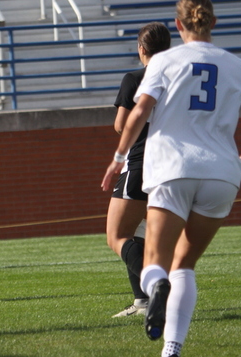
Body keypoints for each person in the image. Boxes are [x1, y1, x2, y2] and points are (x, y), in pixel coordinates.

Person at [102, 0, 241, 357]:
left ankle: (155, 287)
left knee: (156, 263)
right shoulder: (237, 65)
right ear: (213, 22)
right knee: (185, 265)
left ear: (178, 25)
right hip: (222, 174)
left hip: (173, 168)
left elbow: (137, 114)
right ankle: (172, 349)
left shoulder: (164, 61)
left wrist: (118, 157)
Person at [106, 22, 171, 318]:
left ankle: (157, 286)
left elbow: (121, 125)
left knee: (117, 235)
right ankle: (142, 302)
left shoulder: (135, 78)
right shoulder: (178, 79)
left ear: (141, 49)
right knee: (140, 233)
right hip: (172, 165)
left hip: (141, 162)